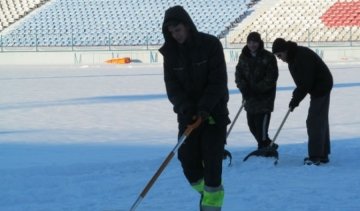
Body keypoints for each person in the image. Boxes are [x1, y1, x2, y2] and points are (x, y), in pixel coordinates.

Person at [159, 5, 230, 211]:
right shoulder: (170, 53)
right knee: (187, 158)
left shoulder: (210, 45)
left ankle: (211, 205)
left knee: (212, 162)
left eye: (178, 29)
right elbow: (172, 86)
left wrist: (204, 107)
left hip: (213, 114)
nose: (175, 35)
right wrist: (186, 108)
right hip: (188, 116)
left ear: (187, 25)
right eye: (171, 32)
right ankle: (206, 192)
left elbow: (218, 81)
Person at [272, 38, 333, 165]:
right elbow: (301, 84)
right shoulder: (292, 59)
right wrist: (295, 97)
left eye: (279, 55)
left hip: (321, 87)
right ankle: (323, 155)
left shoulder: (301, 57)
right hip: (316, 87)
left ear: (285, 50)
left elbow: (306, 83)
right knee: (320, 120)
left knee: (314, 121)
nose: (279, 58)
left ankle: (316, 156)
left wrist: (295, 100)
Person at [235, 32, 279, 150]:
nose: (252, 45)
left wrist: (256, 89)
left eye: (254, 42)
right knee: (252, 126)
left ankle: (263, 147)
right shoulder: (243, 56)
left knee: (261, 127)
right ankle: (268, 145)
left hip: (264, 99)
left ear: (259, 43)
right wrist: (243, 88)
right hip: (249, 98)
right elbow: (238, 74)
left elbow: (271, 78)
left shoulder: (268, 57)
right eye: (249, 42)